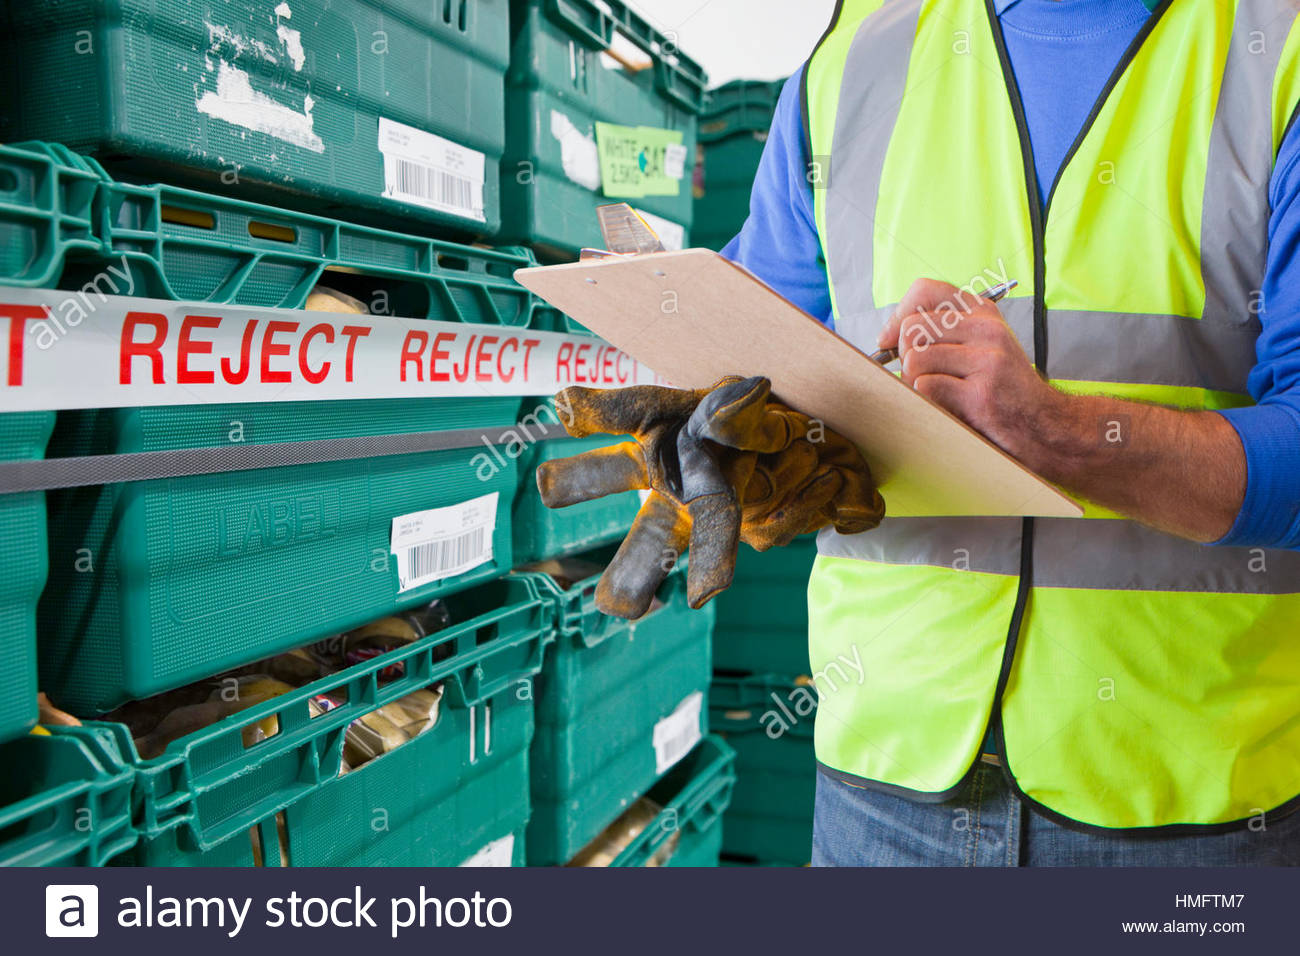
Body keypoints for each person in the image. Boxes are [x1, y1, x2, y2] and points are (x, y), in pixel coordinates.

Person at [721, 0, 1300, 865]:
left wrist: (1058, 431)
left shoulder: (1274, 54)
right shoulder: (855, 58)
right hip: (883, 779)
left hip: (1184, 802)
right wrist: (709, 427)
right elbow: (756, 347)